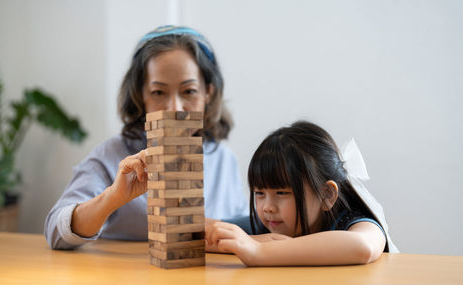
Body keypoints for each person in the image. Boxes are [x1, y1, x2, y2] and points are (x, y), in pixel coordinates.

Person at [45, 25, 247, 249]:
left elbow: (248, 231)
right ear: (140, 96)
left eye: (189, 91)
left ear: (208, 92)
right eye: (158, 92)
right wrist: (113, 197)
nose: (174, 108)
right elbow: (56, 231)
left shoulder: (224, 160)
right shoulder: (111, 157)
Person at [206, 121, 399, 266]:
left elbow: (362, 247)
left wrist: (259, 250)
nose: (267, 207)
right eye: (259, 193)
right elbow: (203, 231)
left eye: (281, 192)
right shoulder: (268, 222)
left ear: (327, 195)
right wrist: (249, 241)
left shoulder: (351, 220)